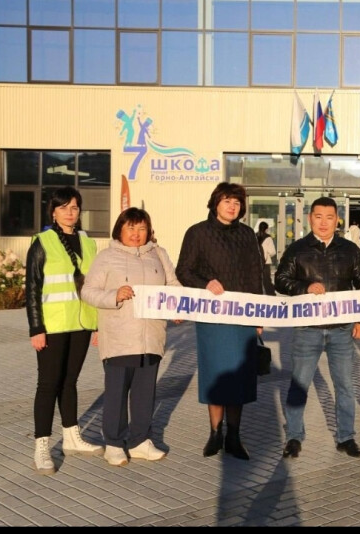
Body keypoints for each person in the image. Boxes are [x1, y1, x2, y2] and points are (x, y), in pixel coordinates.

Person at [81, 208, 180, 467]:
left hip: (152, 337)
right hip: (119, 337)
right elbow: (88, 291)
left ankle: (139, 441)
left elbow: (173, 286)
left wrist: (178, 307)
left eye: (142, 229)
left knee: (144, 393)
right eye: (131, 228)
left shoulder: (159, 254)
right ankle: (114, 443)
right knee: (116, 393)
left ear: (149, 231)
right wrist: (113, 295)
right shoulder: (107, 257)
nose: (136, 234)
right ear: (120, 230)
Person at [275, 197, 360, 459]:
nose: (324, 223)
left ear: (337, 220)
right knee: (299, 384)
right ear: (310, 219)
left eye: (329, 217)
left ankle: (346, 437)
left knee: (345, 386)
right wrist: (303, 287)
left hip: (341, 329)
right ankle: (294, 436)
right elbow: (280, 280)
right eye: (318, 217)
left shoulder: (349, 250)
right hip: (308, 329)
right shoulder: (297, 249)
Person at [176, 182, 265, 461]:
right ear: (215, 202)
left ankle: (234, 436)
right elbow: (184, 270)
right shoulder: (197, 233)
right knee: (215, 374)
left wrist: (259, 314)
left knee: (240, 377)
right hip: (212, 317)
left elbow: (256, 275)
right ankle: (215, 433)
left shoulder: (247, 234)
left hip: (242, 317)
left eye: (237, 203)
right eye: (227, 201)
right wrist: (206, 283)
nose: (232, 207)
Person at [25, 186, 104, 475]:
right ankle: (42, 447)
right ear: (53, 212)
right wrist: (36, 327)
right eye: (64, 207)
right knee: (48, 385)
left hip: (81, 323)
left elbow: (96, 285)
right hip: (53, 325)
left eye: (74, 207)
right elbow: (32, 288)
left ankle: (72, 437)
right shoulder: (42, 242)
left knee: (70, 382)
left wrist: (97, 324)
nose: (70, 212)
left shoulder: (88, 243)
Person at [256, 221, 277, 295]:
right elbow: (272, 252)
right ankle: (271, 296)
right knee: (267, 281)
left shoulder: (255, 236)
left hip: (256, 262)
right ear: (266, 229)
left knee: (257, 280)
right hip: (266, 262)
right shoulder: (268, 238)